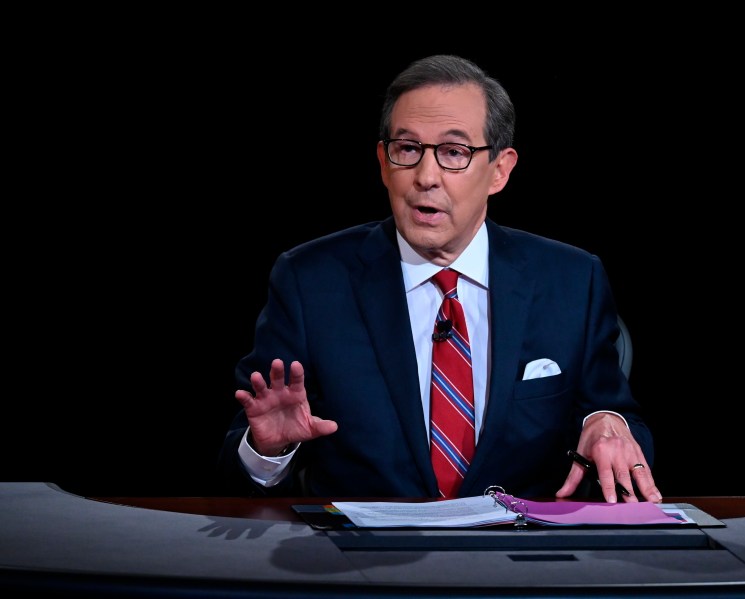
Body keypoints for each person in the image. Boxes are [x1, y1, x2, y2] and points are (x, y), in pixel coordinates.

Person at [216, 54, 663, 504]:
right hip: (363, 562)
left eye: (454, 153)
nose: (425, 177)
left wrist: (607, 421)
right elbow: (234, 470)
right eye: (408, 150)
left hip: (519, 557)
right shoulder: (310, 282)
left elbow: (621, 419)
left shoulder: (570, 281)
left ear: (500, 170)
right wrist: (270, 449)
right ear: (383, 162)